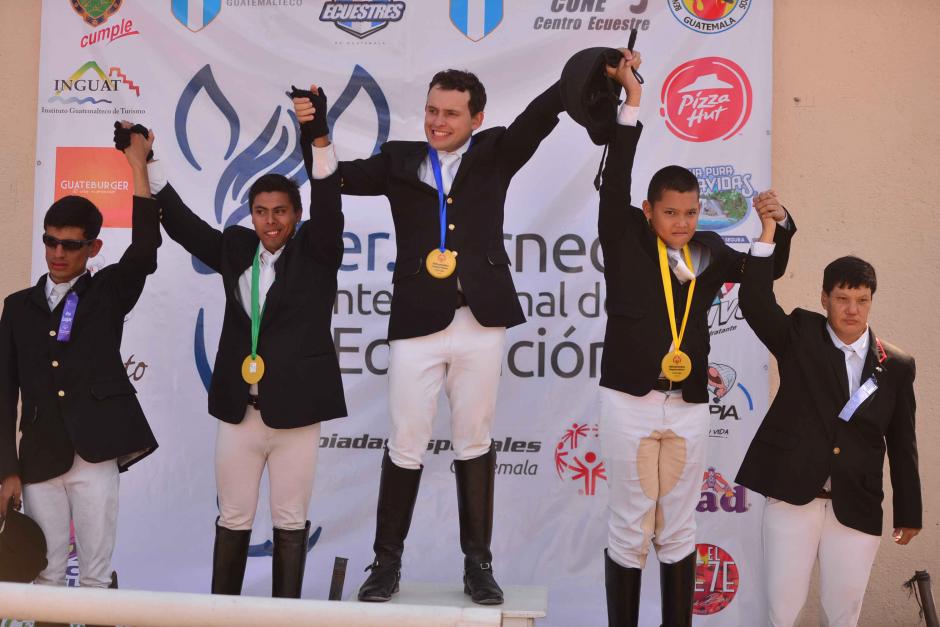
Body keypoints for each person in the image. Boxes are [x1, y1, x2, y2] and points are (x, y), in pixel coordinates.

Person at [292, 66, 566, 605]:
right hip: (417, 321)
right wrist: (316, 132)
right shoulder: (399, 160)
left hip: (480, 321)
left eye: (451, 114)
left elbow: (538, 118)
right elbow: (332, 178)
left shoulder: (495, 152)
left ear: (476, 118)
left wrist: (579, 78)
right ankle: (385, 564)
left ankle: (478, 566)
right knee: (406, 440)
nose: (438, 122)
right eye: (432, 110)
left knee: (475, 440)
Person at [588, 50, 795, 627]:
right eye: (671, 213)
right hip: (629, 401)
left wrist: (775, 226)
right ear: (648, 211)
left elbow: (766, 273)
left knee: (679, 527)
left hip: (688, 405)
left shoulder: (709, 249)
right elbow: (615, 178)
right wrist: (632, 102)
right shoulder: (625, 236)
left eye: (690, 212)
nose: (681, 223)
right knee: (630, 525)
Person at [130, 118, 347, 598]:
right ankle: (221, 614)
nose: (270, 222)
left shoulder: (317, 250)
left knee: (290, 519)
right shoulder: (236, 247)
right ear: (251, 215)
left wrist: (318, 139)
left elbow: (330, 207)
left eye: (281, 212)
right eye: (261, 212)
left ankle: (284, 618)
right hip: (239, 413)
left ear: (297, 215)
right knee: (232, 518)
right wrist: (150, 162)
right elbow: (183, 226)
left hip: (296, 415)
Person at [0, 127, 160, 618]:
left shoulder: (108, 292)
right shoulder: (18, 307)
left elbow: (145, 250)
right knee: (46, 575)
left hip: (96, 452)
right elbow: (4, 392)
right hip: (39, 456)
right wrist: (7, 469)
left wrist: (138, 166)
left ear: (93, 248)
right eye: (50, 242)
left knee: (94, 574)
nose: (57, 253)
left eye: (70, 245)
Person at [736, 244, 921, 627]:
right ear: (825, 299)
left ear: (871, 302)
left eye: (861, 300)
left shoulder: (897, 365)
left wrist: (909, 512)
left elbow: (903, 444)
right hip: (792, 498)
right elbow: (754, 301)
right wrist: (768, 235)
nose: (852, 309)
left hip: (857, 502)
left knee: (843, 614)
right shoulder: (800, 334)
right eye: (842, 298)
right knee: (782, 611)